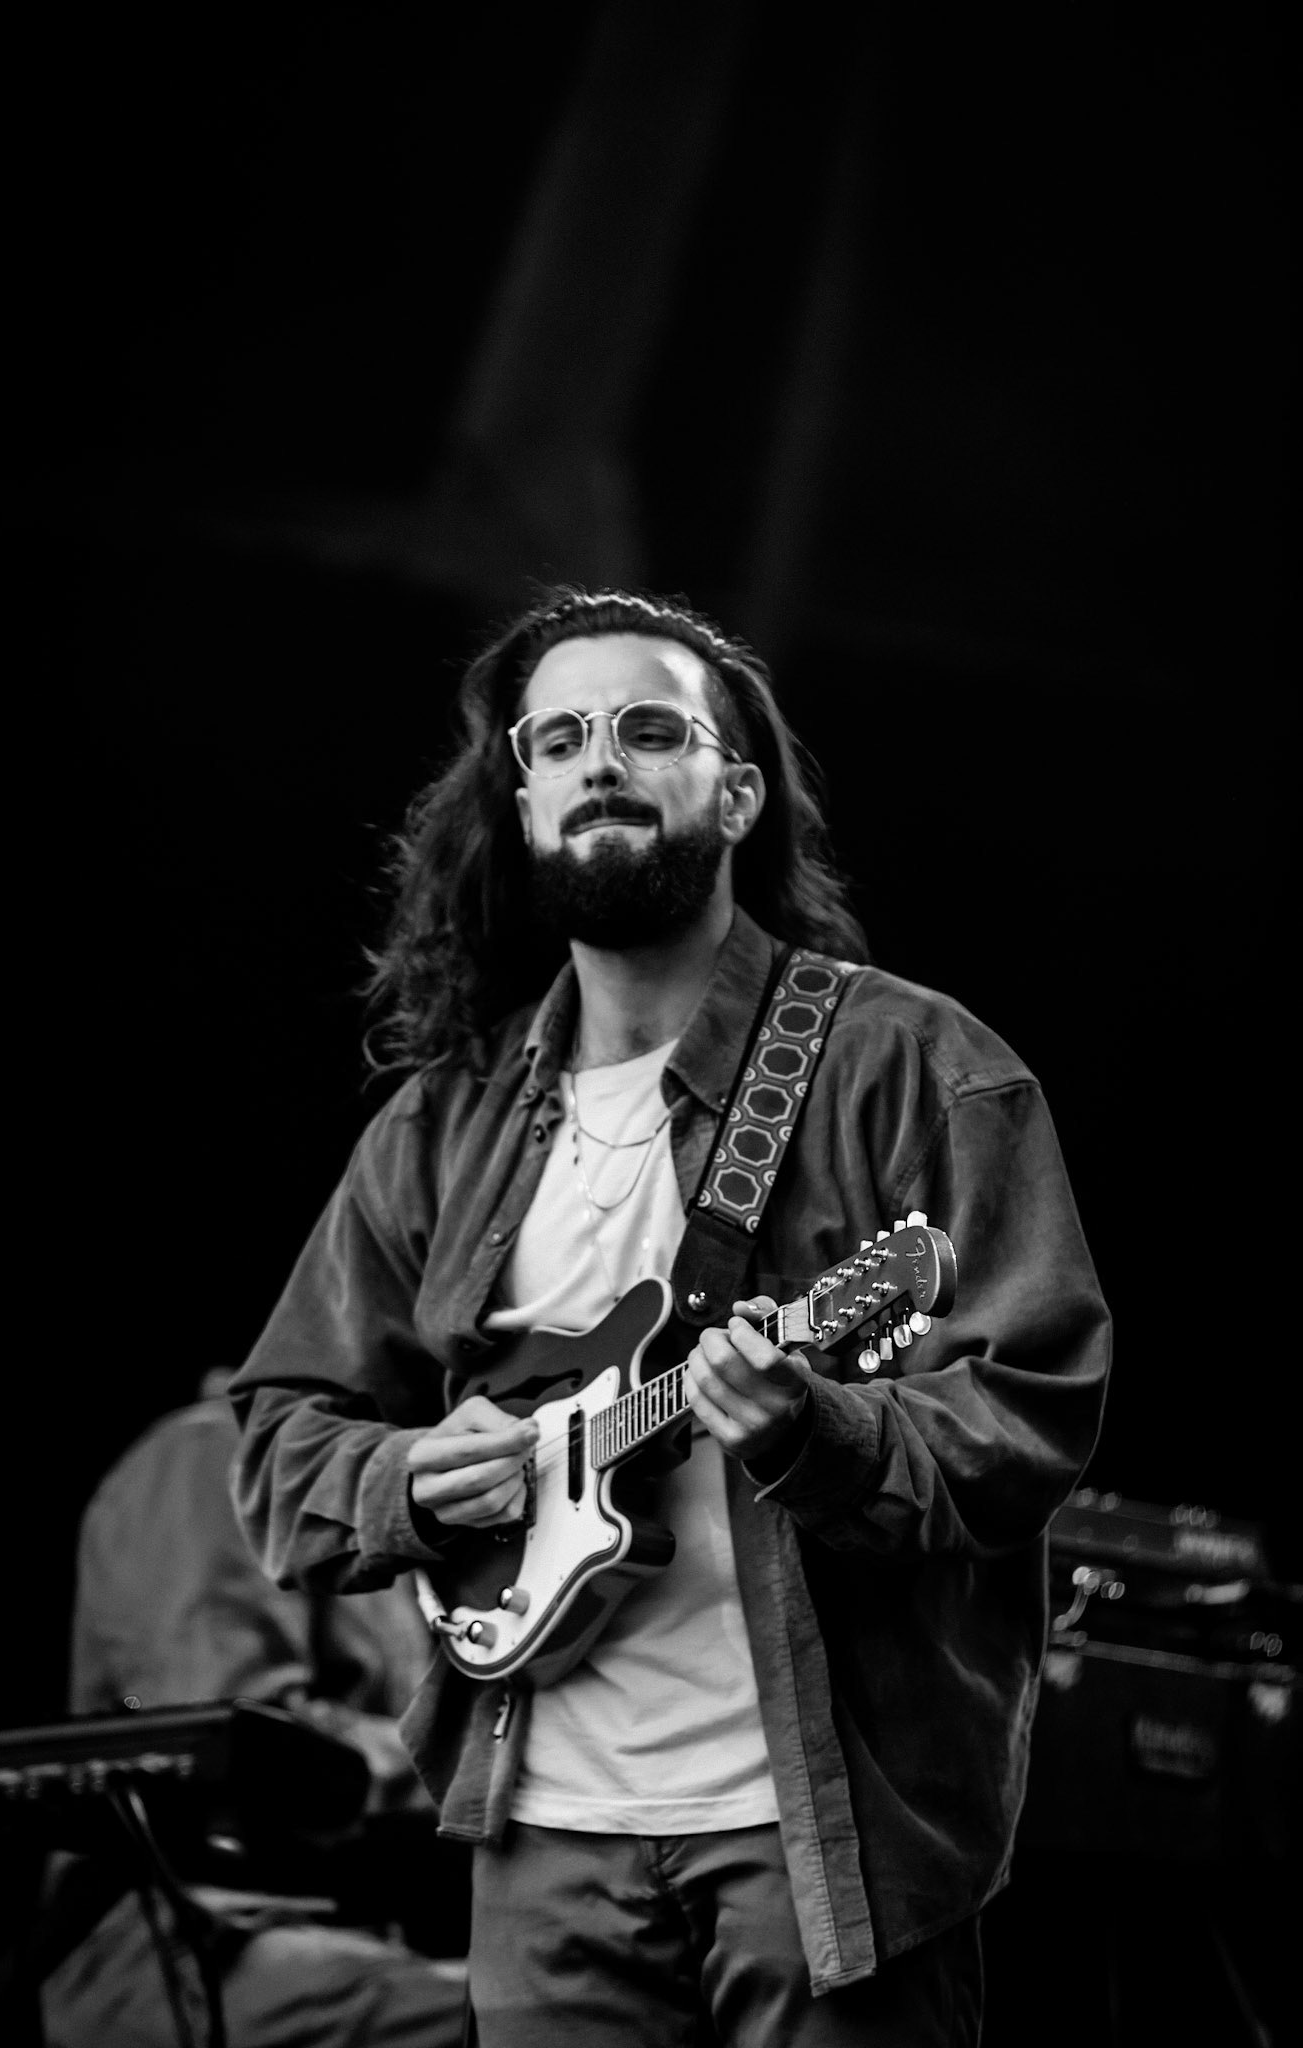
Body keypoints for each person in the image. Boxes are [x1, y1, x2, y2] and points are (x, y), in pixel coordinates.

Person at [230, 586, 1112, 2046]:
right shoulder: (441, 1125)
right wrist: (400, 1479)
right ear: (521, 800)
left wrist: (819, 1431)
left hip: (819, 1837)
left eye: (650, 730)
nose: (600, 763)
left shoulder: (910, 1064)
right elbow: (274, 1440)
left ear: (734, 790)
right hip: (540, 1830)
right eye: (559, 739)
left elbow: (1031, 1405)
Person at [42, 1369, 467, 2048]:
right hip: (179, 1949)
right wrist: (498, 1765)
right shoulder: (212, 1459)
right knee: (546, 2019)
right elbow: (239, 1754)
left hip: (322, 1933)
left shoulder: (362, 1488)